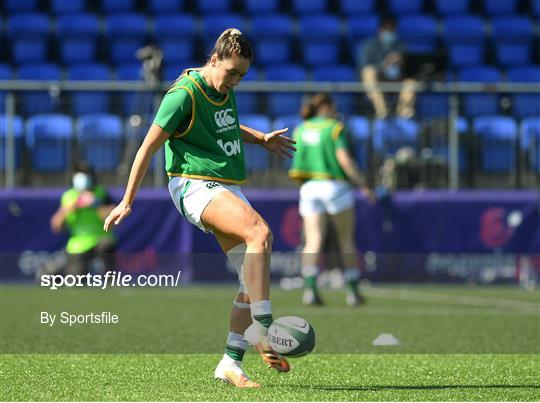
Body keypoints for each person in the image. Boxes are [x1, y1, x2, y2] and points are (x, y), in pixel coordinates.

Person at [103, 28, 296, 388]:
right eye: (232, 72)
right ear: (213, 61)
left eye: (242, 75)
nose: (235, 81)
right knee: (261, 233)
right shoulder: (182, 95)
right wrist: (128, 199)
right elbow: (146, 148)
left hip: (225, 185)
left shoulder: (221, 87)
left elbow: (223, 126)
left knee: (248, 279)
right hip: (193, 184)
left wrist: (261, 139)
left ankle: (230, 364)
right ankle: (265, 330)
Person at [289, 93, 372, 307]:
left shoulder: (301, 128)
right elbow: (345, 161)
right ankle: (353, 292)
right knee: (345, 240)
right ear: (325, 106)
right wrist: (363, 185)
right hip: (335, 186)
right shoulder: (334, 128)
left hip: (309, 187)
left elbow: (297, 165)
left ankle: (310, 289)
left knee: (313, 240)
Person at [50, 162, 116, 275]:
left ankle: (110, 279)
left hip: (101, 240)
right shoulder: (68, 196)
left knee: (106, 246)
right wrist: (71, 207)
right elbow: (56, 225)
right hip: (78, 245)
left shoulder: (101, 193)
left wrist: (95, 204)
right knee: (76, 279)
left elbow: (113, 218)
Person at [360, 15, 416, 119]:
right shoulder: (369, 45)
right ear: (380, 29)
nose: (389, 32)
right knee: (368, 72)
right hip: (379, 81)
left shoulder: (401, 46)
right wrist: (384, 65)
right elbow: (363, 67)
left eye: (392, 29)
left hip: (397, 80)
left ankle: (403, 115)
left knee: (411, 81)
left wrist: (401, 64)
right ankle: (382, 112)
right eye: (386, 29)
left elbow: (408, 69)